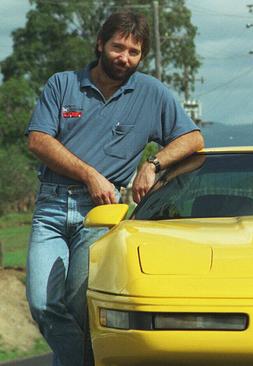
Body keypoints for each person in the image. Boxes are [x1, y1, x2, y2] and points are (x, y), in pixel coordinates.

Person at [24, 11, 204, 366]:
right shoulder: (63, 84)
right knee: (43, 303)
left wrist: (152, 165)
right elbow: (38, 140)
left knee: (80, 305)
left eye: (133, 52)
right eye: (118, 47)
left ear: (141, 57)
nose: (124, 57)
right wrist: (90, 174)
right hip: (51, 208)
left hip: (103, 215)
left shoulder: (151, 93)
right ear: (100, 44)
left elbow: (193, 138)